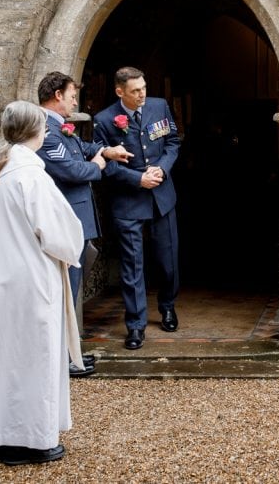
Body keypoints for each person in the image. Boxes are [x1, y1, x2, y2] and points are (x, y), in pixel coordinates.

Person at [0, 100, 85, 466]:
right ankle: (31, 440)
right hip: (31, 284)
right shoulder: (32, 176)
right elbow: (61, 234)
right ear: (37, 132)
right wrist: (73, 248)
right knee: (33, 358)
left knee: (1, 358)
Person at [36, 71, 132, 377]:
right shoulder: (45, 133)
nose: (75, 101)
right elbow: (73, 170)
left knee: (70, 292)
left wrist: (106, 151)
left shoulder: (60, 129)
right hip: (64, 225)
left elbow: (83, 147)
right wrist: (99, 165)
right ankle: (61, 362)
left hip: (75, 225)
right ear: (57, 96)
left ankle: (70, 356)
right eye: (72, 95)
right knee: (63, 294)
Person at [93, 66, 181, 350]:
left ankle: (167, 306)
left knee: (168, 262)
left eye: (144, 87)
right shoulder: (104, 120)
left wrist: (162, 170)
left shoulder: (159, 106)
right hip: (128, 202)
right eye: (135, 91)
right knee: (132, 267)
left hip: (161, 198)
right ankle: (135, 325)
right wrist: (137, 178)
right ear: (120, 92)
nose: (142, 94)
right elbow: (104, 165)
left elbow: (172, 142)